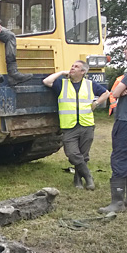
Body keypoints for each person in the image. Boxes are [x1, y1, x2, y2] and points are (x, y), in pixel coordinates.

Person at [43, 61, 109, 190]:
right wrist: (62, 73)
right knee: (72, 154)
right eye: (72, 66)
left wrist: (96, 103)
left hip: (87, 124)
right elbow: (47, 81)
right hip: (69, 126)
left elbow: (106, 93)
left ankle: (78, 180)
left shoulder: (90, 84)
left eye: (76, 67)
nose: (72, 68)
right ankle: (88, 176)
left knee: (83, 155)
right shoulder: (62, 84)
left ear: (83, 72)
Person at [100, 42, 127, 213]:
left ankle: (117, 202)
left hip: (125, 122)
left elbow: (115, 93)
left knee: (120, 158)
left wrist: (120, 90)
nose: (125, 51)